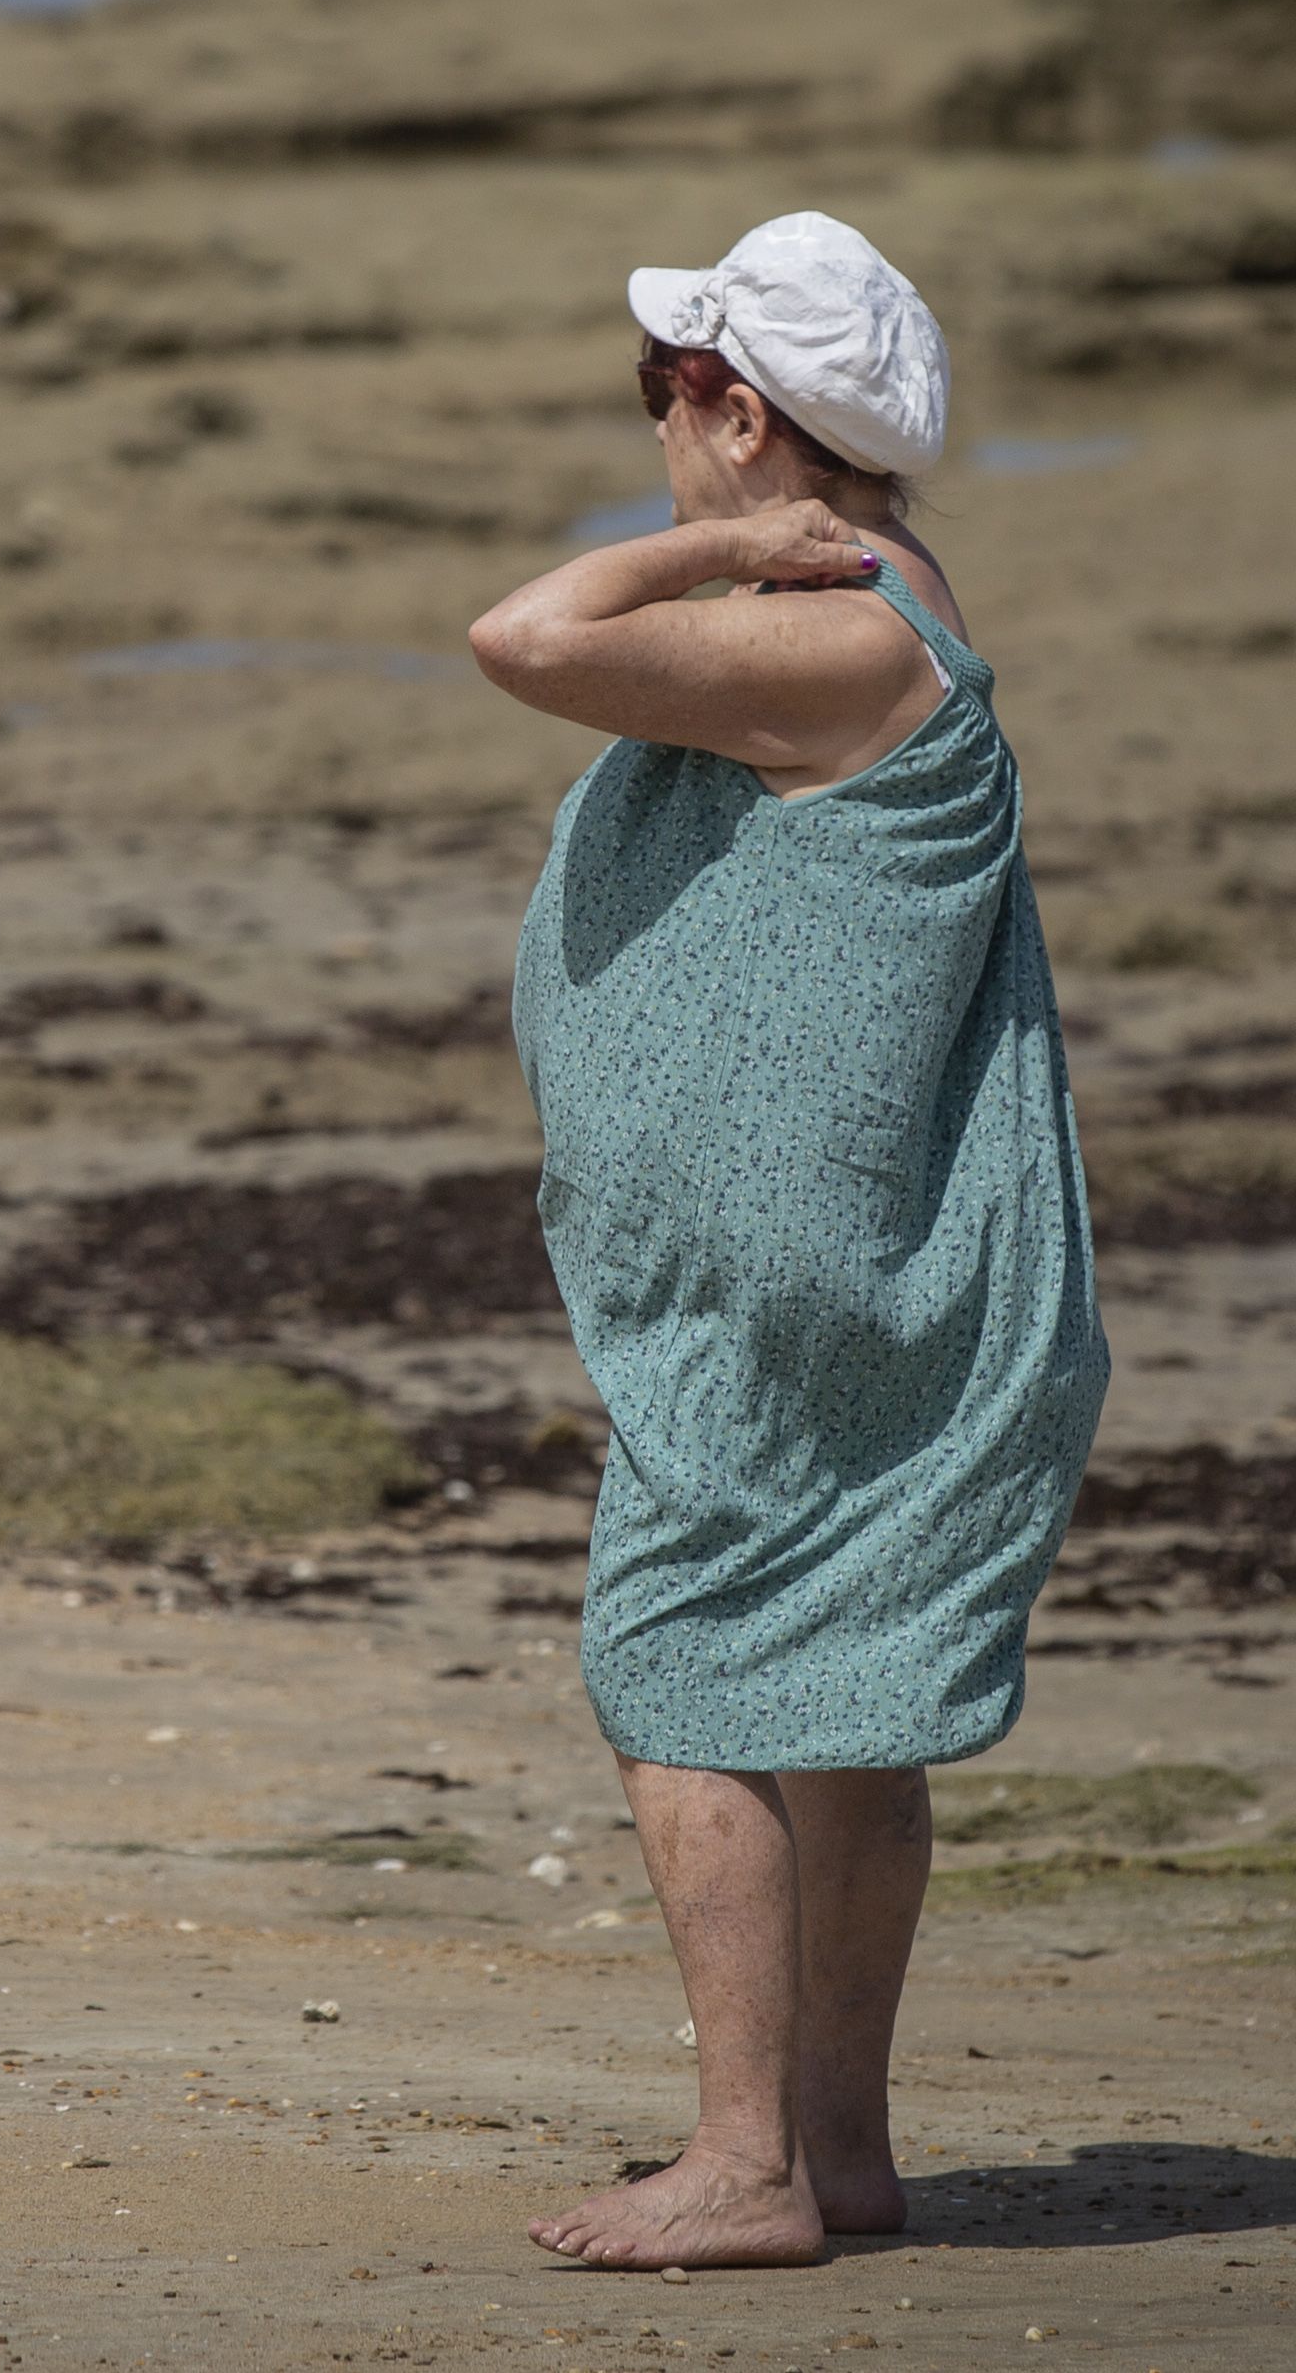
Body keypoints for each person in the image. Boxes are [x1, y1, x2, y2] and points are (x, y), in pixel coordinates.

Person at [466, 211, 1108, 2272]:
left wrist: (699, 548)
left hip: (792, 1280)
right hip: (817, 1258)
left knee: (680, 1666)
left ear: (743, 415)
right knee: (834, 1690)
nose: (649, 426)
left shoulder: (842, 625)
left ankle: (747, 2157)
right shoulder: (876, 595)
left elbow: (527, 636)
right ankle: (837, 2145)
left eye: (664, 393)